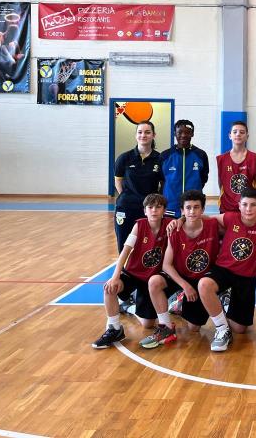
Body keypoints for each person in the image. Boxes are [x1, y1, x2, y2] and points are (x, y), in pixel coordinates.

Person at [197, 187, 256, 351]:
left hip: (246, 276)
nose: (248, 209)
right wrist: (182, 219)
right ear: (239, 205)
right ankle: (222, 329)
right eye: (245, 204)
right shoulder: (230, 217)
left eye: (253, 205)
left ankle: (226, 300)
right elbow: (206, 219)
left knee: (240, 329)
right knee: (204, 284)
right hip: (224, 269)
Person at [139, 190, 220, 349]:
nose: (192, 211)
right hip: (180, 276)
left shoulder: (213, 225)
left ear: (203, 209)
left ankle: (178, 303)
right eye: (188, 208)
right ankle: (166, 327)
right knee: (154, 281)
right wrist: (185, 286)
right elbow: (166, 265)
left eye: (196, 207)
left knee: (194, 328)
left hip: (200, 279)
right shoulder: (175, 231)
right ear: (182, 210)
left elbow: (238, 220)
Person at [91, 193, 171, 349]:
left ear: (164, 210)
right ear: (145, 211)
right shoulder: (139, 226)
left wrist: (181, 219)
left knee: (148, 324)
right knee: (109, 288)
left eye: (158, 207)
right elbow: (125, 252)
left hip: (152, 278)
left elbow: (186, 220)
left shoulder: (170, 225)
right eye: (150, 207)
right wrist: (115, 277)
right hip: (133, 273)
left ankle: (128, 307)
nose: (154, 210)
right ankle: (114, 328)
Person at [113, 121, 164, 253]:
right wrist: (127, 196)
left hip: (148, 209)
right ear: (136, 135)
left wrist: (154, 201)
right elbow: (118, 181)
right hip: (126, 207)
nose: (143, 135)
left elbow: (163, 183)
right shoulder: (124, 158)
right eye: (140, 132)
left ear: (154, 135)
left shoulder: (160, 159)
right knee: (124, 244)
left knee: (146, 244)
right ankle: (124, 266)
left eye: (147, 132)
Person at [160, 119, 209, 218]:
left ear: (192, 134)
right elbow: (161, 179)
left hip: (193, 208)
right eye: (180, 132)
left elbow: (203, 179)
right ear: (175, 134)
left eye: (187, 132)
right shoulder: (165, 155)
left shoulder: (200, 155)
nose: (183, 135)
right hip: (171, 206)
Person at [216, 120, 256, 213]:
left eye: (242, 132)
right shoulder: (221, 159)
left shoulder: (254, 158)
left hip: (246, 207)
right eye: (235, 132)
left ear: (247, 136)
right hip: (227, 207)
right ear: (230, 136)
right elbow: (221, 185)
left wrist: (246, 201)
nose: (238, 134)